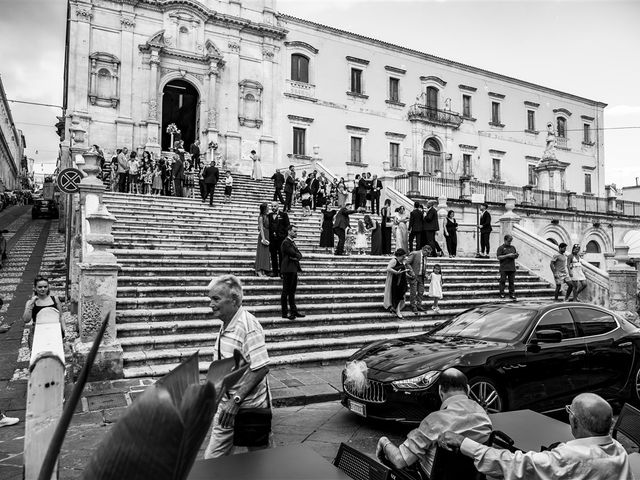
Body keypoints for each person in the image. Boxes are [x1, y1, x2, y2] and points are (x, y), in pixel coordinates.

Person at [438, 392, 632, 480]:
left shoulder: (568, 458)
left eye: (570, 411)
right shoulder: (619, 449)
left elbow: (511, 463)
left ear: (575, 422)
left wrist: (463, 442)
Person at [377, 369, 492, 479]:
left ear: (440, 390)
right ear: (468, 389)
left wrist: (384, 442)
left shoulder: (433, 421)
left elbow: (400, 460)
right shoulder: (483, 416)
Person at [204, 275, 271, 458]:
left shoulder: (248, 325)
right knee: (212, 460)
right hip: (227, 408)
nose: (211, 304)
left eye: (216, 299)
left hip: (248, 408)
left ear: (233, 300)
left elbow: (261, 367)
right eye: (210, 298)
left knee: (259, 462)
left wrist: (235, 401)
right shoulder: (227, 321)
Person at [23, 275, 64, 346]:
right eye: (40, 287)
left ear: (48, 287)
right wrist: (31, 304)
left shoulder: (55, 299)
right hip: (38, 331)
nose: (43, 289)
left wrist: (64, 331)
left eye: (45, 287)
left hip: (54, 331)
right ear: (35, 288)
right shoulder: (30, 302)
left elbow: (61, 316)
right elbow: (26, 320)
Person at [280, 225, 305, 320]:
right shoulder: (286, 242)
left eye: (296, 231)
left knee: (292, 291)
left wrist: (297, 256)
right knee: (286, 291)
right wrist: (296, 255)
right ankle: (285, 312)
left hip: (293, 268)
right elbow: (293, 253)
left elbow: (299, 255)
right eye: (294, 231)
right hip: (288, 269)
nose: (296, 233)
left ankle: (294, 311)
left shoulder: (291, 242)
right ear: (289, 231)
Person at [405, 244, 431, 314]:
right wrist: (411, 272)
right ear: (424, 250)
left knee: (421, 292)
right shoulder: (414, 253)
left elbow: (424, 266)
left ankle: (419, 305)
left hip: (421, 277)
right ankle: (413, 306)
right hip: (414, 276)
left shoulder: (425, 257)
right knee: (413, 292)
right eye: (428, 253)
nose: (428, 255)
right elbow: (407, 263)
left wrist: (426, 274)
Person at [383, 248, 409, 318]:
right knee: (398, 296)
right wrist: (396, 272)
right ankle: (398, 311)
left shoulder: (402, 261)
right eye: (403, 256)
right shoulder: (394, 260)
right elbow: (388, 268)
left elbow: (402, 270)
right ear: (400, 255)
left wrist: (407, 274)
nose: (404, 257)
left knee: (401, 295)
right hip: (395, 281)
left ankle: (395, 309)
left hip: (402, 281)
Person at [268, 203, 289, 277]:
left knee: (281, 256)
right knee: (273, 256)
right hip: (272, 239)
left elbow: (287, 227)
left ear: (278, 206)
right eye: (272, 206)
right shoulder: (269, 215)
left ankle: (282, 272)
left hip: (281, 239)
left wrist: (284, 236)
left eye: (274, 206)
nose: (273, 207)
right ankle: (275, 272)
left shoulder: (284, 215)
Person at [497, 234, 519, 300]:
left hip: (512, 267)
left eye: (510, 241)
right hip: (504, 267)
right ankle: (502, 293)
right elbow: (499, 257)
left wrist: (516, 255)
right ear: (505, 240)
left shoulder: (513, 247)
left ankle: (512, 294)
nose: (509, 243)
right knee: (502, 281)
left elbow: (515, 256)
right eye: (508, 241)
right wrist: (507, 255)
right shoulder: (501, 248)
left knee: (511, 282)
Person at [254, 203, 272, 277]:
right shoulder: (261, 217)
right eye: (267, 207)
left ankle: (263, 269)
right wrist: (263, 238)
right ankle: (259, 270)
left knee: (266, 254)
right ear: (264, 208)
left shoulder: (267, 216)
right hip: (263, 235)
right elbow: (261, 228)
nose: (268, 208)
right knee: (261, 253)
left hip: (268, 234)